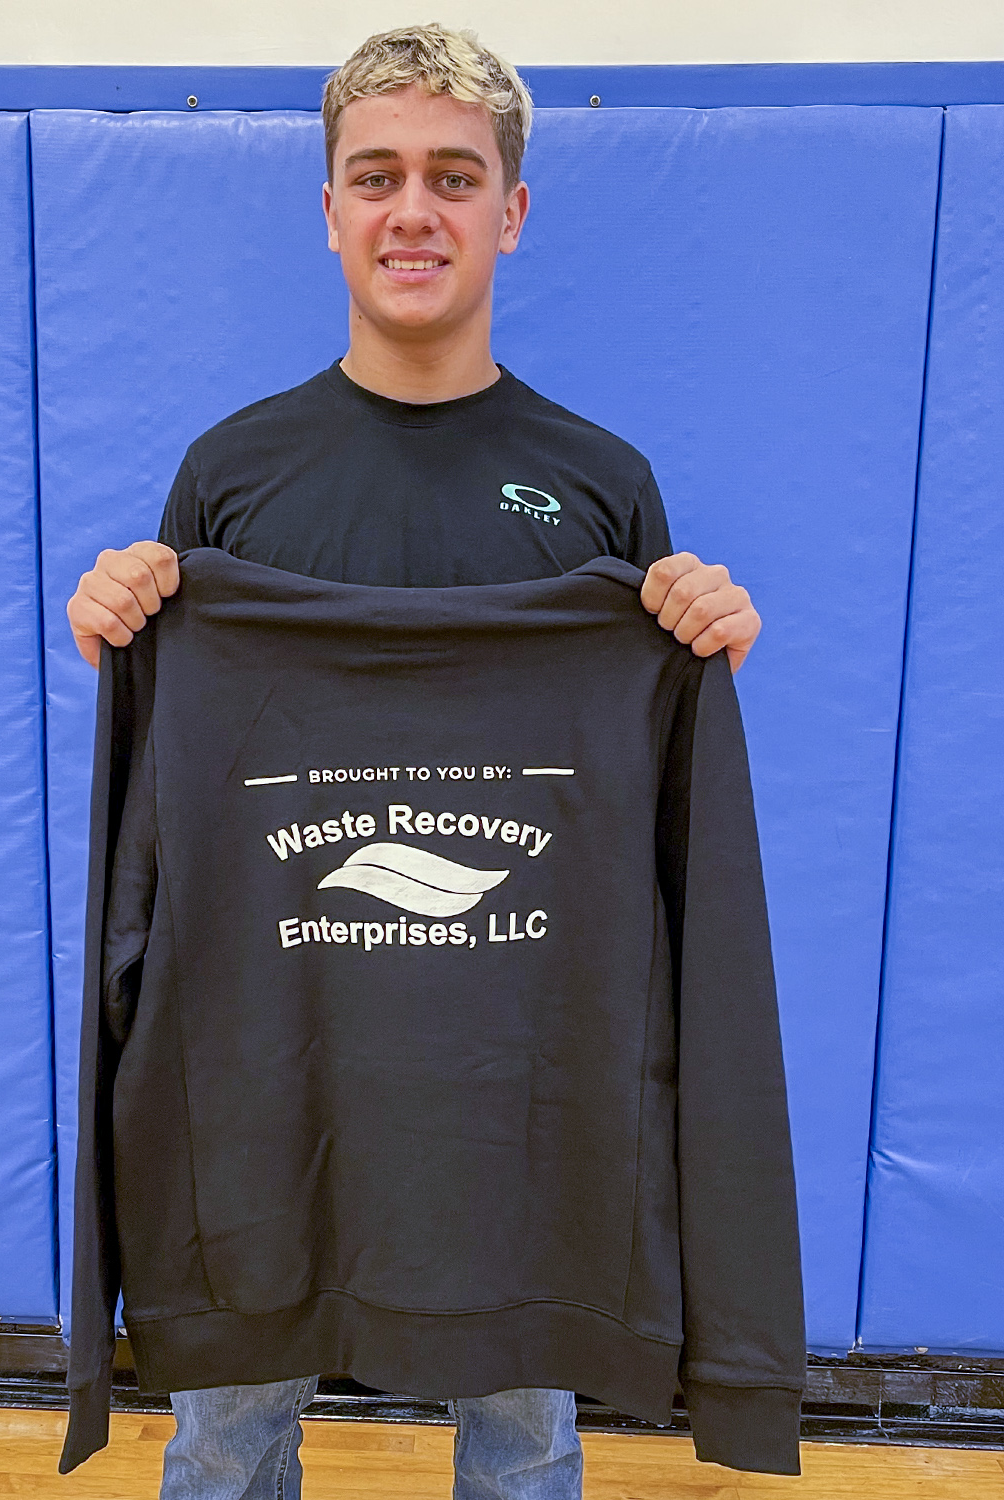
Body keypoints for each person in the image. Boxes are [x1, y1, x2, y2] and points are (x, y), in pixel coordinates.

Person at [62, 25, 762, 1500]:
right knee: (228, 1428)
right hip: (273, 1057)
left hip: (514, 1068)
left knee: (523, 1429)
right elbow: (187, 771)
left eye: (455, 176)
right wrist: (123, 625)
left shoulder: (597, 481)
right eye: (376, 177)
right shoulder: (233, 473)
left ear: (512, 210)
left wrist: (702, 642)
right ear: (330, 212)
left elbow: (635, 777)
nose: (413, 211)